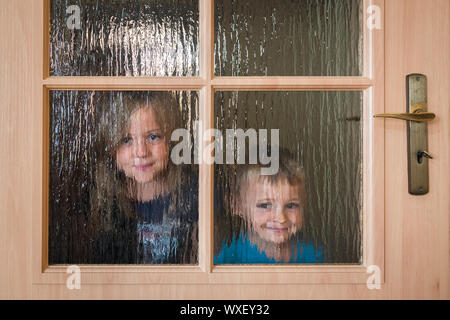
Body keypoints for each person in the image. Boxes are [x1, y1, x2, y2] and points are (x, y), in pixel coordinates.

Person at [89, 91, 198, 264]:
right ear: (110, 148)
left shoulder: (195, 193)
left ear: (173, 141)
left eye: (153, 137)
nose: (141, 152)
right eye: (126, 140)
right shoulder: (99, 199)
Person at [214, 147, 322, 264]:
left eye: (291, 205)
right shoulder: (228, 256)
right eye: (265, 205)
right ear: (236, 205)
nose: (281, 218)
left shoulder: (314, 254)